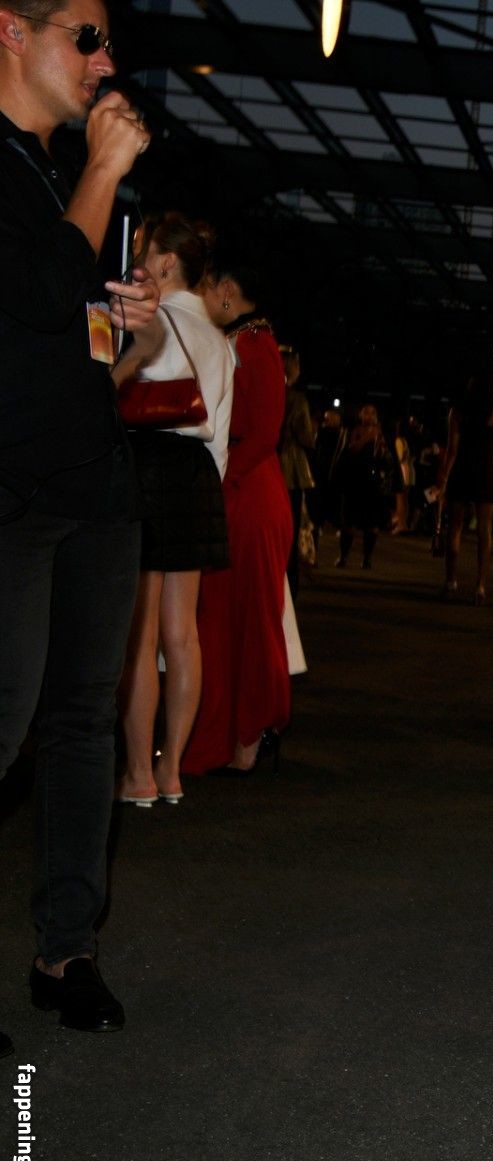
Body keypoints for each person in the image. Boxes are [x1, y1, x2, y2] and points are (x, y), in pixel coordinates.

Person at [0, 2, 159, 1043]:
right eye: (85, 38)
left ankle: (68, 950)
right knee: (1, 722)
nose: (105, 62)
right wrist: (103, 171)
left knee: (81, 725)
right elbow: (36, 290)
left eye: (108, 42)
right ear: (12, 31)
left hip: (95, 488)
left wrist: (129, 335)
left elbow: (83, 339)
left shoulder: (63, 173)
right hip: (11, 492)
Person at [113, 214, 234, 808]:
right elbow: (222, 440)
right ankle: (172, 770)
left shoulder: (146, 319)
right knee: (183, 635)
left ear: (165, 262)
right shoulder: (220, 342)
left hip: (146, 465)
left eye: (144, 250)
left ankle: (137, 772)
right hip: (198, 477)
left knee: (139, 635)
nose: (136, 260)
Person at [180, 249, 291, 777]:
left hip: (246, 498)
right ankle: (231, 737)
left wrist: (218, 483)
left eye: (205, 286)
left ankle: (249, 734)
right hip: (242, 494)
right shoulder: (247, 341)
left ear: (226, 289)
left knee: (245, 620)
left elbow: (264, 434)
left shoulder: (254, 344)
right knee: (225, 621)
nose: (201, 295)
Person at [440, 371, 493, 601]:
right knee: (484, 530)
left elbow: (452, 449)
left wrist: (444, 478)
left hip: (462, 468)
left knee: (455, 528)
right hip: (485, 470)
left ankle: (451, 581)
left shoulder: (457, 412)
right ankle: (480, 586)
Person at [278, 348, 316, 597]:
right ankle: (291, 580)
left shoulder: (269, 391)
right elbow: (306, 436)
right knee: (292, 526)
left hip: (271, 463)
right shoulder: (297, 399)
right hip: (291, 468)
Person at [332, 406, 390, 569]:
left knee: (372, 524)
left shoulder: (380, 433)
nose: (369, 415)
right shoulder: (354, 431)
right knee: (349, 523)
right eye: (366, 412)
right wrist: (367, 437)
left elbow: (385, 456)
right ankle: (343, 556)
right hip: (354, 481)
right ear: (360, 414)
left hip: (373, 483)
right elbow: (351, 449)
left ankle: (367, 558)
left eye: (373, 413)